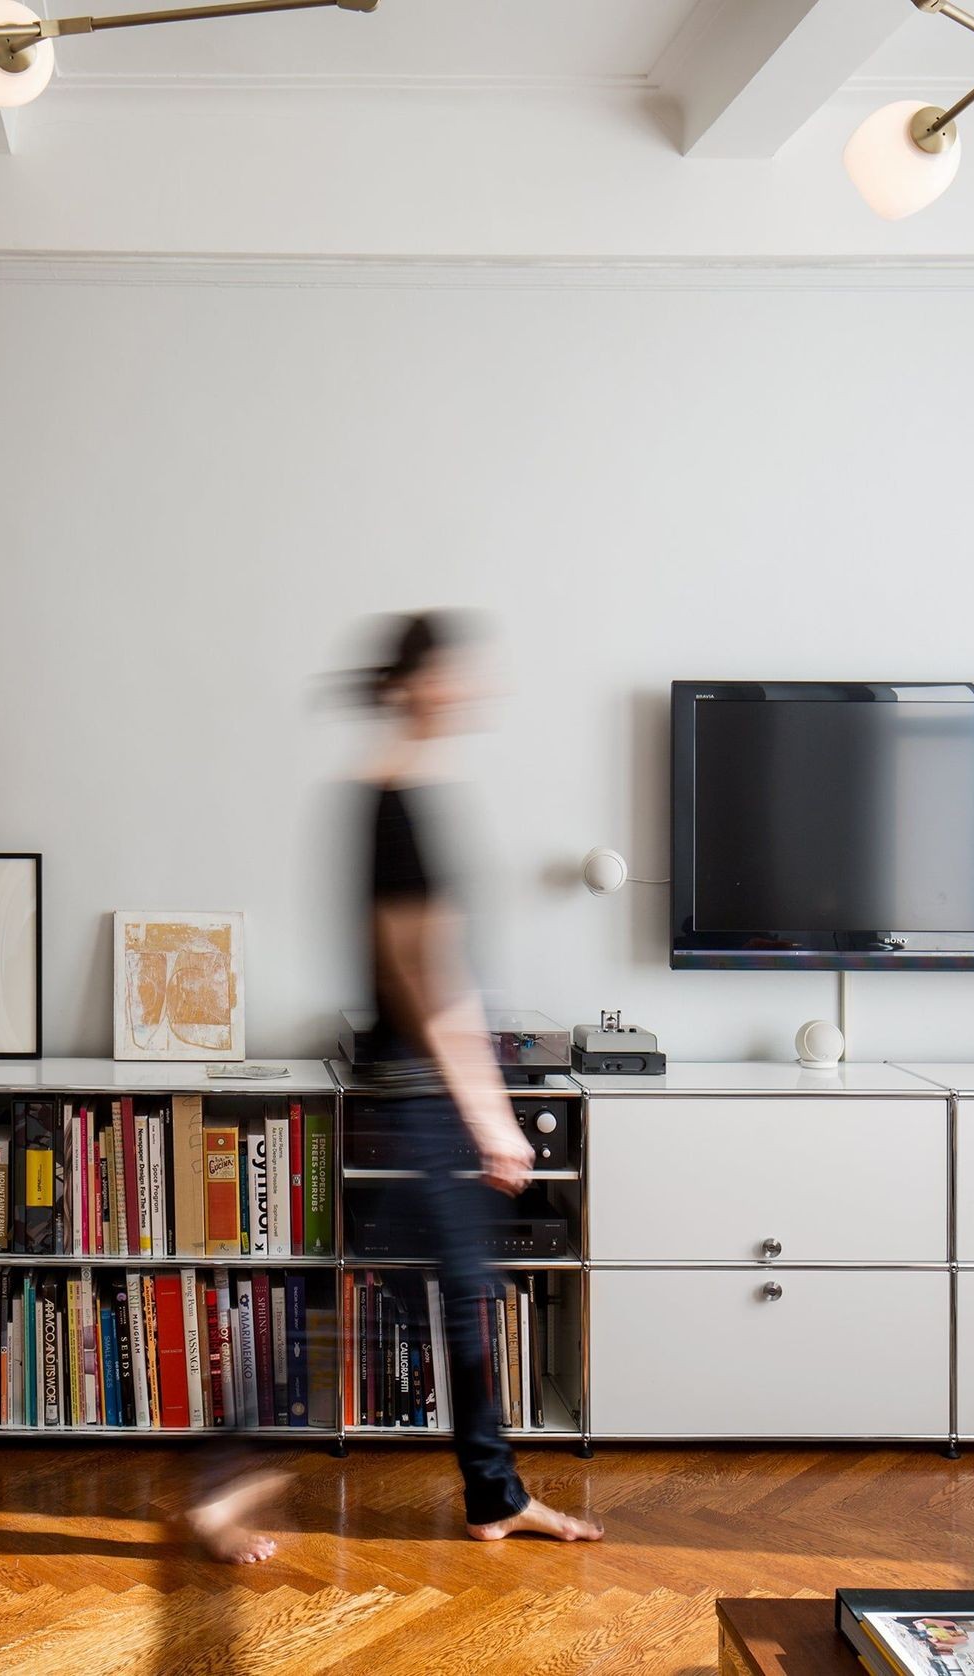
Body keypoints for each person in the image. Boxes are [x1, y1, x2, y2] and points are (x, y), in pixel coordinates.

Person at [356, 610, 603, 1545]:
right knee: (387, 1301)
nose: (473, 687)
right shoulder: (398, 802)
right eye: (456, 672)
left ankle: (494, 1495)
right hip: (419, 1089)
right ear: (416, 683)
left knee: (454, 1291)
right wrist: (494, 1118)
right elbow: (428, 981)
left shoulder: (402, 793)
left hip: (422, 1084)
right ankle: (225, 1473)